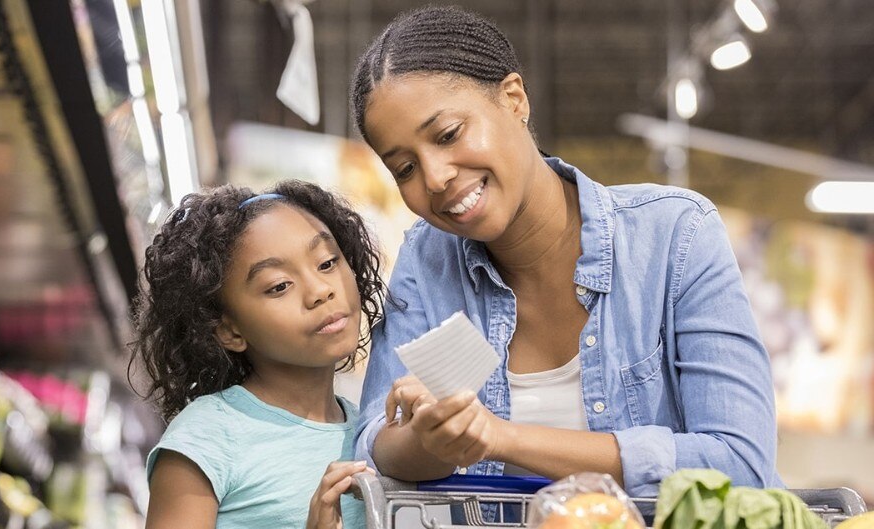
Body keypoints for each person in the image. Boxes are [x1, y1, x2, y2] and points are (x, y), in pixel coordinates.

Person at [348, 5, 784, 497]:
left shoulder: (674, 236)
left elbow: (739, 462)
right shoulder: (428, 263)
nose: (435, 177)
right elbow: (372, 449)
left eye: (448, 134)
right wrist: (431, 437)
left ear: (514, 99)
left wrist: (501, 438)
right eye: (404, 168)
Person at [132, 181, 386, 528]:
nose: (320, 291)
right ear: (229, 331)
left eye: (327, 262)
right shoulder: (208, 436)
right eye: (279, 286)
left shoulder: (372, 434)